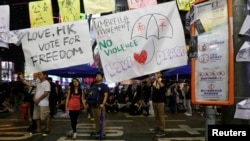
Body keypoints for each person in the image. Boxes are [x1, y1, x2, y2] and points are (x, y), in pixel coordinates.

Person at [87, 72, 109, 139]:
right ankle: (97, 131)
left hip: (100, 106)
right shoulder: (93, 85)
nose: (97, 77)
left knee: (101, 120)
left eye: (99, 76)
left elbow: (106, 95)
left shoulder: (104, 86)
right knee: (96, 119)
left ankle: (103, 133)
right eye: (96, 76)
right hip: (93, 105)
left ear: (102, 78)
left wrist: (103, 104)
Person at [31, 72, 51, 136]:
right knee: (36, 117)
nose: (39, 75)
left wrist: (38, 99)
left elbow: (46, 93)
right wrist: (34, 98)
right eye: (38, 74)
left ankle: (47, 129)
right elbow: (35, 91)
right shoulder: (38, 83)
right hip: (37, 102)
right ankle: (38, 129)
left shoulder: (47, 83)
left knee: (45, 117)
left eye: (40, 74)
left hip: (44, 103)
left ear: (45, 75)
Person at [150, 71, 166, 137]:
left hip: (160, 101)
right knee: (156, 116)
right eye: (156, 73)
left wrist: (156, 79)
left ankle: (162, 130)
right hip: (155, 101)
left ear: (161, 74)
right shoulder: (154, 82)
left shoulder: (164, 80)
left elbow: (162, 86)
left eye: (158, 73)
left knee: (161, 116)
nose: (156, 74)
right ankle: (157, 128)